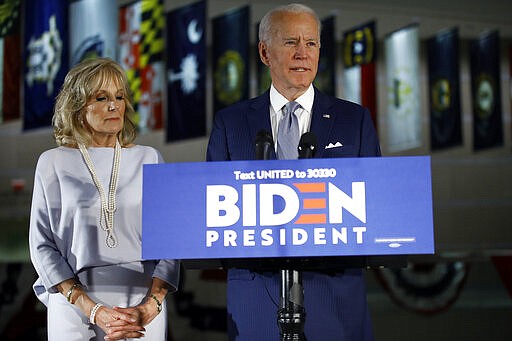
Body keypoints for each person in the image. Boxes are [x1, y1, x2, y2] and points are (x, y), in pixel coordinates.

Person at [207, 3, 379, 340]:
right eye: (290, 43)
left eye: (311, 43)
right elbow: (212, 207)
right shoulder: (230, 123)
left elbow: (376, 202)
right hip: (255, 295)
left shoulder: (354, 120)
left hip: (335, 296)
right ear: (264, 52)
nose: (303, 53)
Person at [29, 57, 180, 341]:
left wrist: (153, 303)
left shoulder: (149, 158)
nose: (114, 105)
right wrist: (92, 309)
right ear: (77, 106)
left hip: (141, 303)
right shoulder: (53, 162)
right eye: (101, 97)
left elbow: (172, 239)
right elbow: (41, 245)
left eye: (119, 97)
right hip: (74, 302)